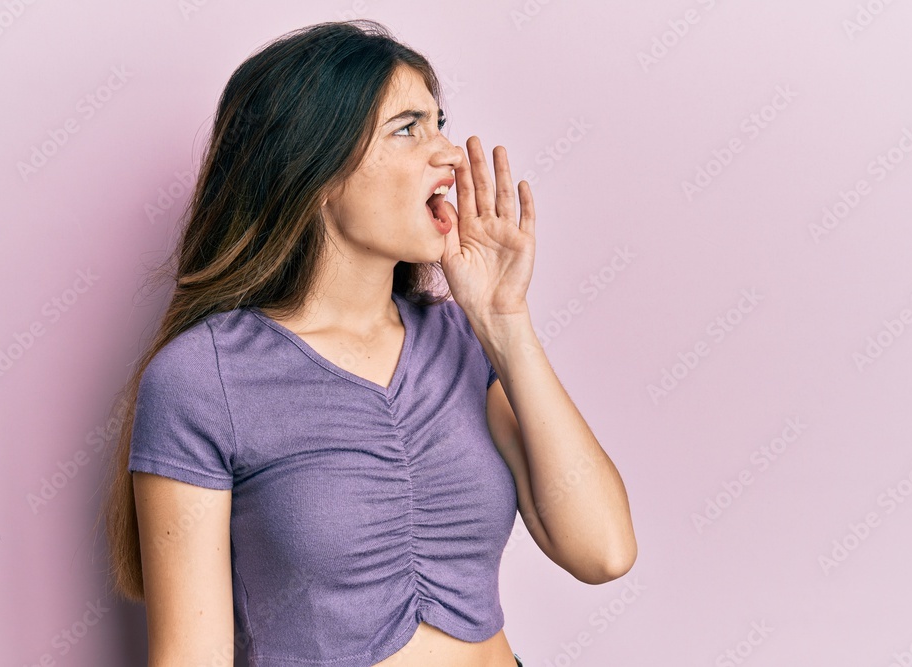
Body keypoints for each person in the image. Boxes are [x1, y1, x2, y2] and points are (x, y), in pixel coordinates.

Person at [98, 19, 637, 667]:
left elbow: (603, 549)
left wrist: (504, 320)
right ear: (316, 170)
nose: (449, 153)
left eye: (439, 121)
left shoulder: (464, 338)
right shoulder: (201, 377)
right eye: (408, 128)